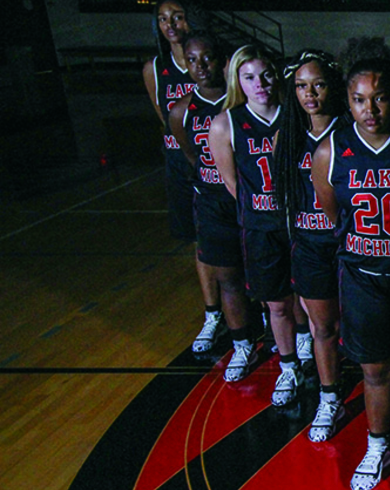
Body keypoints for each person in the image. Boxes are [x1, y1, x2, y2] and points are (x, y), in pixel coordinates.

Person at [311, 41, 390, 490]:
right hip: (363, 275)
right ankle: (378, 445)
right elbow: (333, 214)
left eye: (379, 97)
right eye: (359, 99)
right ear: (348, 100)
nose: (370, 109)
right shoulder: (330, 150)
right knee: (375, 370)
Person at [207, 45, 303, 402]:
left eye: (264, 75)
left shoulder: (294, 115)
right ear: (237, 81)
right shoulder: (226, 123)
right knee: (277, 303)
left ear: (276, 75)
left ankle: (307, 347)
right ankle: (289, 367)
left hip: (300, 225)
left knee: (309, 300)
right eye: (248, 77)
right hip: (261, 227)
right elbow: (232, 184)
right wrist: (262, 209)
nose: (259, 83)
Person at [271, 49, 345, 441]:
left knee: (368, 333)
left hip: (350, 247)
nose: (310, 93)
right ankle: (330, 397)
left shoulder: (349, 134)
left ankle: (387, 401)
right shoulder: (289, 135)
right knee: (322, 327)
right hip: (310, 244)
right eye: (301, 85)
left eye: (317, 83)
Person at [142, 0, 222, 353]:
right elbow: (168, 120)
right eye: (162, 18)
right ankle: (213, 313)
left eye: (177, 15)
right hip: (184, 161)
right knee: (198, 238)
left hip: (221, 161)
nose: (170, 23)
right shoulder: (155, 68)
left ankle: (256, 308)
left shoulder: (215, 63)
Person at [167, 32, 244, 356]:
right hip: (212, 202)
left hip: (248, 201)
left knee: (269, 277)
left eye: (207, 58)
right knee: (227, 277)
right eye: (192, 59)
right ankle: (241, 343)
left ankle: (279, 333)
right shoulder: (181, 112)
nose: (200, 66)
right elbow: (191, 156)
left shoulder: (242, 102)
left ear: (221, 60)